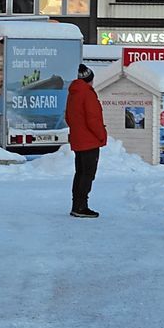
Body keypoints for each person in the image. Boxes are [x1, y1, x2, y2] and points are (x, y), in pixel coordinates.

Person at [65, 64, 106, 218]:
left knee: (80, 173)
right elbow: (93, 119)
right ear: (90, 79)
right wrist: (101, 135)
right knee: (88, 174)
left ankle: (76, 205)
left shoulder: (73, 93)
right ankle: (82, 207)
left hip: (78, 140)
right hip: (90, 141)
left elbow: (68, 117)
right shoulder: (88, 94)